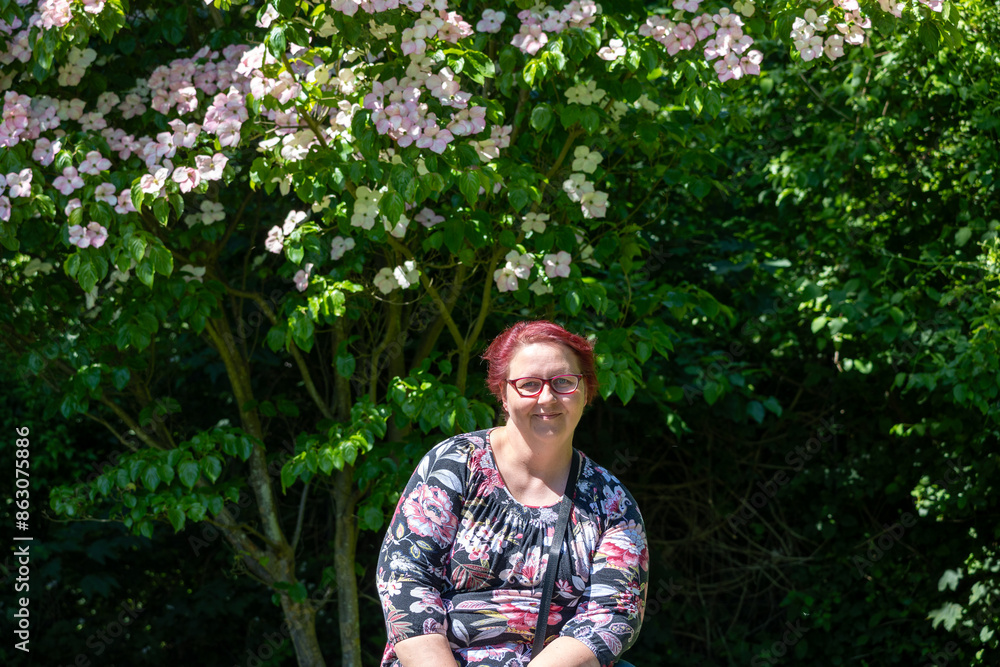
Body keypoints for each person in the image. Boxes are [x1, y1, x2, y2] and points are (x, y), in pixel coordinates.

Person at [376, 320, 648, 667]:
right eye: (529, 384)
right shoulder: (455, 465)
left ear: (585, 390)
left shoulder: (610, 502)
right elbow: (404, 578)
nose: (547, 397)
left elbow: (613, 614)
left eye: (564, 382)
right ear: (503, 395)